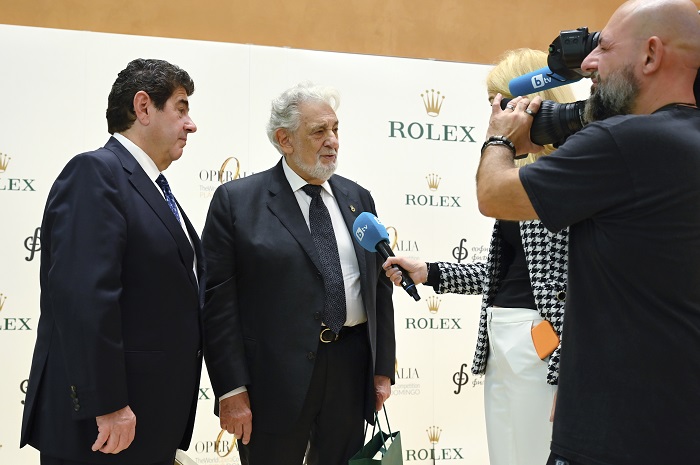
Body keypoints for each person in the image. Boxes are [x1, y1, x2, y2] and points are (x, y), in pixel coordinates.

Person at [475, 1, 700, 464]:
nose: (589, 64)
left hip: (612, 432)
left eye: (605, 48)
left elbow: (494, 193)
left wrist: (500, 138)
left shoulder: (624, 142)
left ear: (651, 55)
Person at [383, 48, 575, 465]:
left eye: (500, 102)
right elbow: (504, 274)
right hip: (501, 337)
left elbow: (586, 280)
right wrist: (431, 272)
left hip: (545, 343)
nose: (494, 114)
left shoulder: (569, 171)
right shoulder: (517, 174)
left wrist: (572, 365)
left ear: (534, 103)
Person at [20, 58, 205, 465]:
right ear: (143, 107)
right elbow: (84, 298)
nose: (191, 125)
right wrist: (107, 404)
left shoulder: (152, 187)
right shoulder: (95, 172)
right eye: (181, 109)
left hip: (145, 423)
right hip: (105, 430)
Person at [201, 82, 395, 465]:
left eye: (335, 129)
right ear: (284, 140)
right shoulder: (237, 202)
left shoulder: (358, 198)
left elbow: (379, 287)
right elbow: (217, 305)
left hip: (350, 368)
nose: (332, 140)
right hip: (273, 380)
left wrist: (382, 369)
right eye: (319, 131)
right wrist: (230, 389)